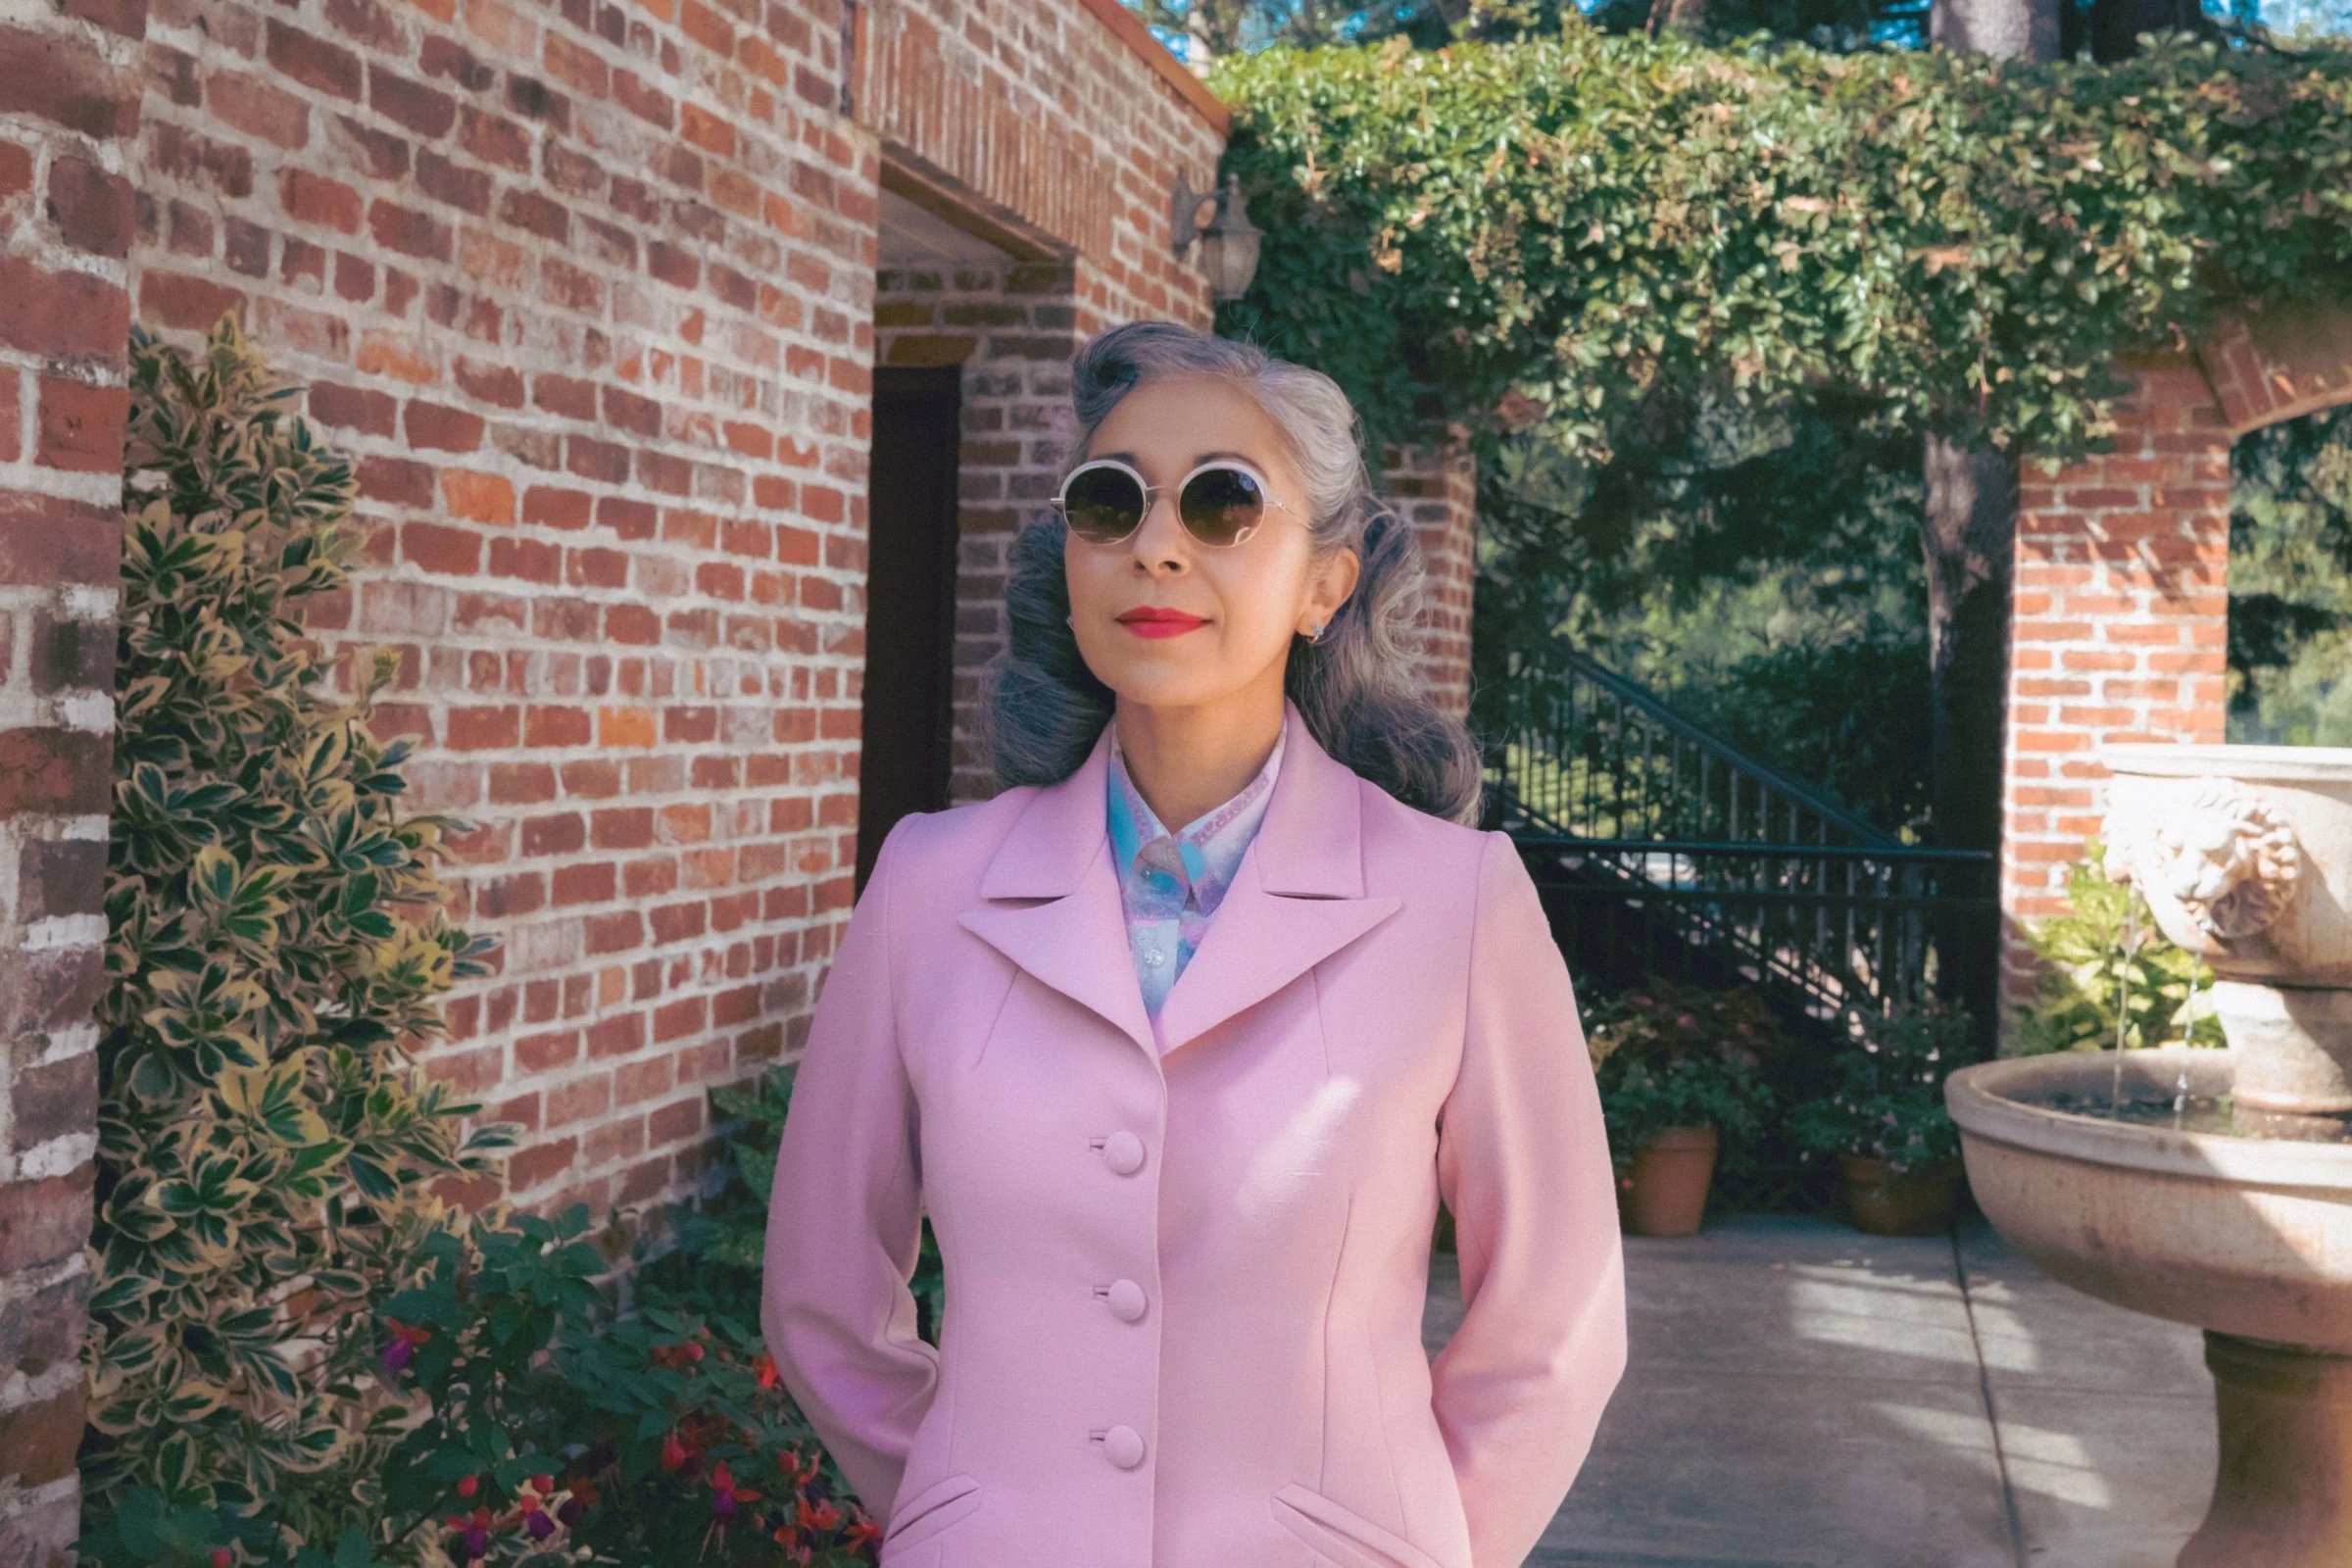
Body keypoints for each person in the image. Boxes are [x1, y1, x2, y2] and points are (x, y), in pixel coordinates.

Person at [761, 320, 1627, 1568]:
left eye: (1223, 503)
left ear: (1326, 582)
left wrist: (1409, 1541)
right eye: (1109, 504)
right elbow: (822, 1293)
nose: (1156, 546)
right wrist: (964, 1504)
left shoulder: (1457, 902)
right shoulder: (929, 888)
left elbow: (1557, 1321)